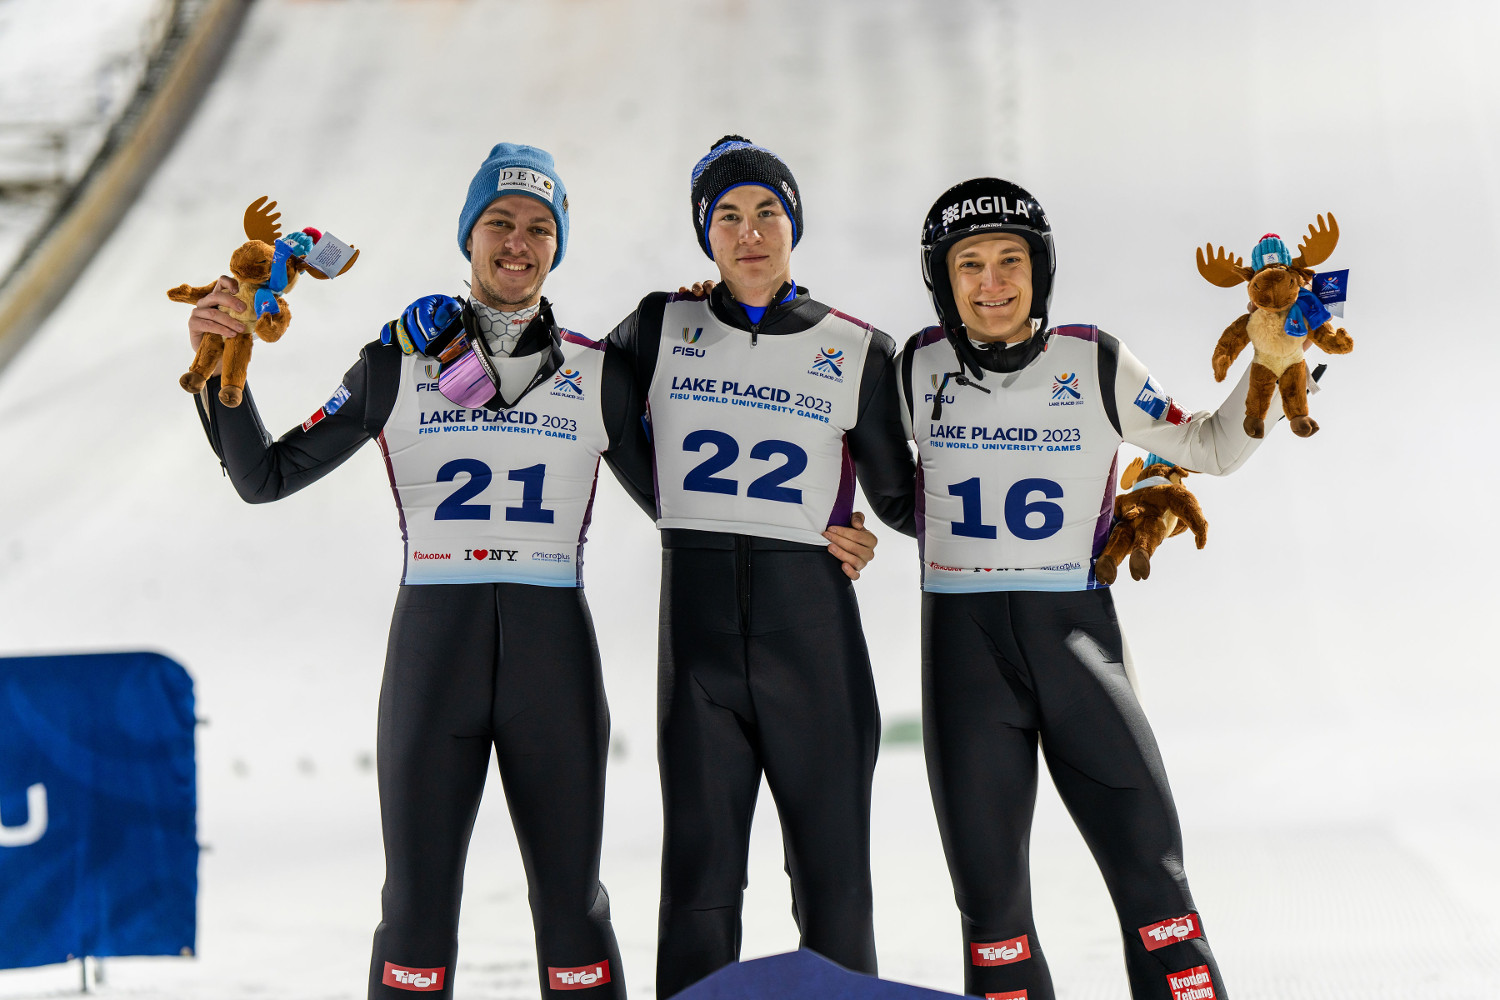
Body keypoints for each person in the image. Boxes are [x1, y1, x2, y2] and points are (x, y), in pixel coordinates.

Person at [187, 144, 655, 999]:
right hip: (434, 662)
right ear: (468, 236)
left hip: (553, 661)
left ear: (558, 247)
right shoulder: (393, 366)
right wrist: (221, 363)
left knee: (573, 917)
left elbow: (688, 509)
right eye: (499, 222)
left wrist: (825, 532)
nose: (517, 242)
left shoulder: (600, 375)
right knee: (414, 921)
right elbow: (264, 477)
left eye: (539, 228)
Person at [900, 178, 1307, 1000]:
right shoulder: (915, 365)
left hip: (1077, 647)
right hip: (964, 663)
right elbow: (826, 436)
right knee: (993, 921)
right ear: (942, 278)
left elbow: (1211, 447)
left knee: (1159, 898)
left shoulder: (1094, 361)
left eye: (1011, 260)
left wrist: (1271, 363)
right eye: (970, 263)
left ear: (1040, 269)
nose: (992, 282)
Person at [604, 135, 917, 998]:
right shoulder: (659, 326)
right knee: (698, 892)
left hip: (813, 645)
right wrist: (674, 508)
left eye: (768, 211)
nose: (750, 232)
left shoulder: (859, 348)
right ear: (705, 234)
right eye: (729, 216)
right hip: (698, 655)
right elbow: (574, 396)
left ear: (794, 224)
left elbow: (905, 502)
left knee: (833, 891)